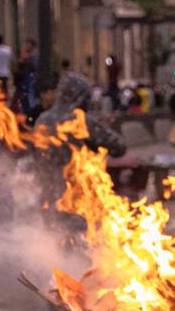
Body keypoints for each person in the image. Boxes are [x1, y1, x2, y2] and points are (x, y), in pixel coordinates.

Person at [35, 72, 126, 230]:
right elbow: (118, 147)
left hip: (48, 199)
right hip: (78, 200)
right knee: (83, 242)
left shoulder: (42, 119)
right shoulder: (80, 120)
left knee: (52, 241)